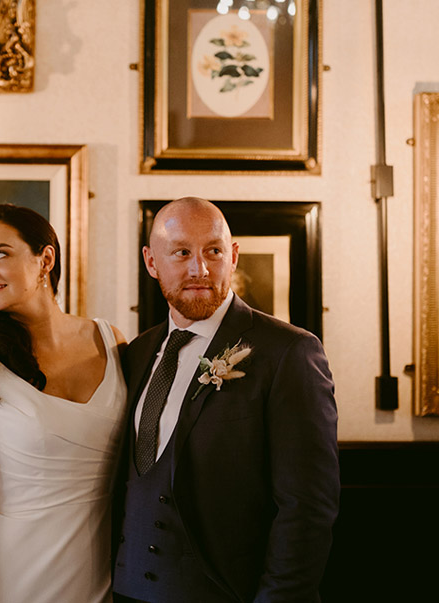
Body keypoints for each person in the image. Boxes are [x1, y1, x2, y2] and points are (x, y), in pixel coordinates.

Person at [113, 197, 339, 603]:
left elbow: (307, 509)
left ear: (232, 256)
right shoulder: (136, 354)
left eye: (213, 251)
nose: (199, 269)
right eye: (181, 252)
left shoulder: (289, 352)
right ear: (151, 262)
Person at [0, 204, 128, 603]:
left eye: (0, 253)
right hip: (15, 576)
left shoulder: (113, 343)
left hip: (109, 577)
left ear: (46, 259)